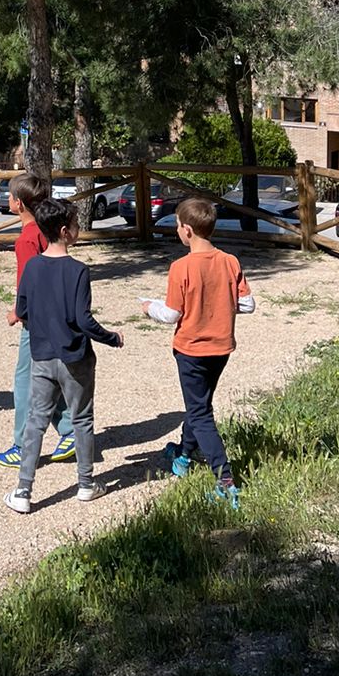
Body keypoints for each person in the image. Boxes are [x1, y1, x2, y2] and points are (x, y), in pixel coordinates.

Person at [3, 198, 123, 514]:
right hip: (75, 358)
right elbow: (83, 320)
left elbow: (23, 308)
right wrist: (111, 338)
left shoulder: (32, 267)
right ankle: (86, 484)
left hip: (42, 357)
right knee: (81, 418)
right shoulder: (78, 271)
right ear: (64, 231)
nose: (78, 228)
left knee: (36, 421)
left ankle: (23, 490)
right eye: (76, 224)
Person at [142, 194, 256, 509]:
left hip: (191, 350)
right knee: (200, 404)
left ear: (187, 230)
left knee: (200, 413)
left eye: (178, 225)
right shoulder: (230, 261)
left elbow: (171, 315)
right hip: (221, 348)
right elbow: (247, 304)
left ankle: (226, 481)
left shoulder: (181, 267)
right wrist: (220, 302)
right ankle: (183, 455)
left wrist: (148, 307)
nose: (177, 230)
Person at [0, 172, 75, 469]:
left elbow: (29, 282)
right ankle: (71, 430)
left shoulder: (26, 239)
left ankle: (23, 445)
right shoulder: (47, 231)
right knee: (48, 377)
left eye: (10, 196)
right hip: (56, 316)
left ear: (17, 204)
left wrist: (18, 312)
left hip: (37, 322)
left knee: (26, 382)